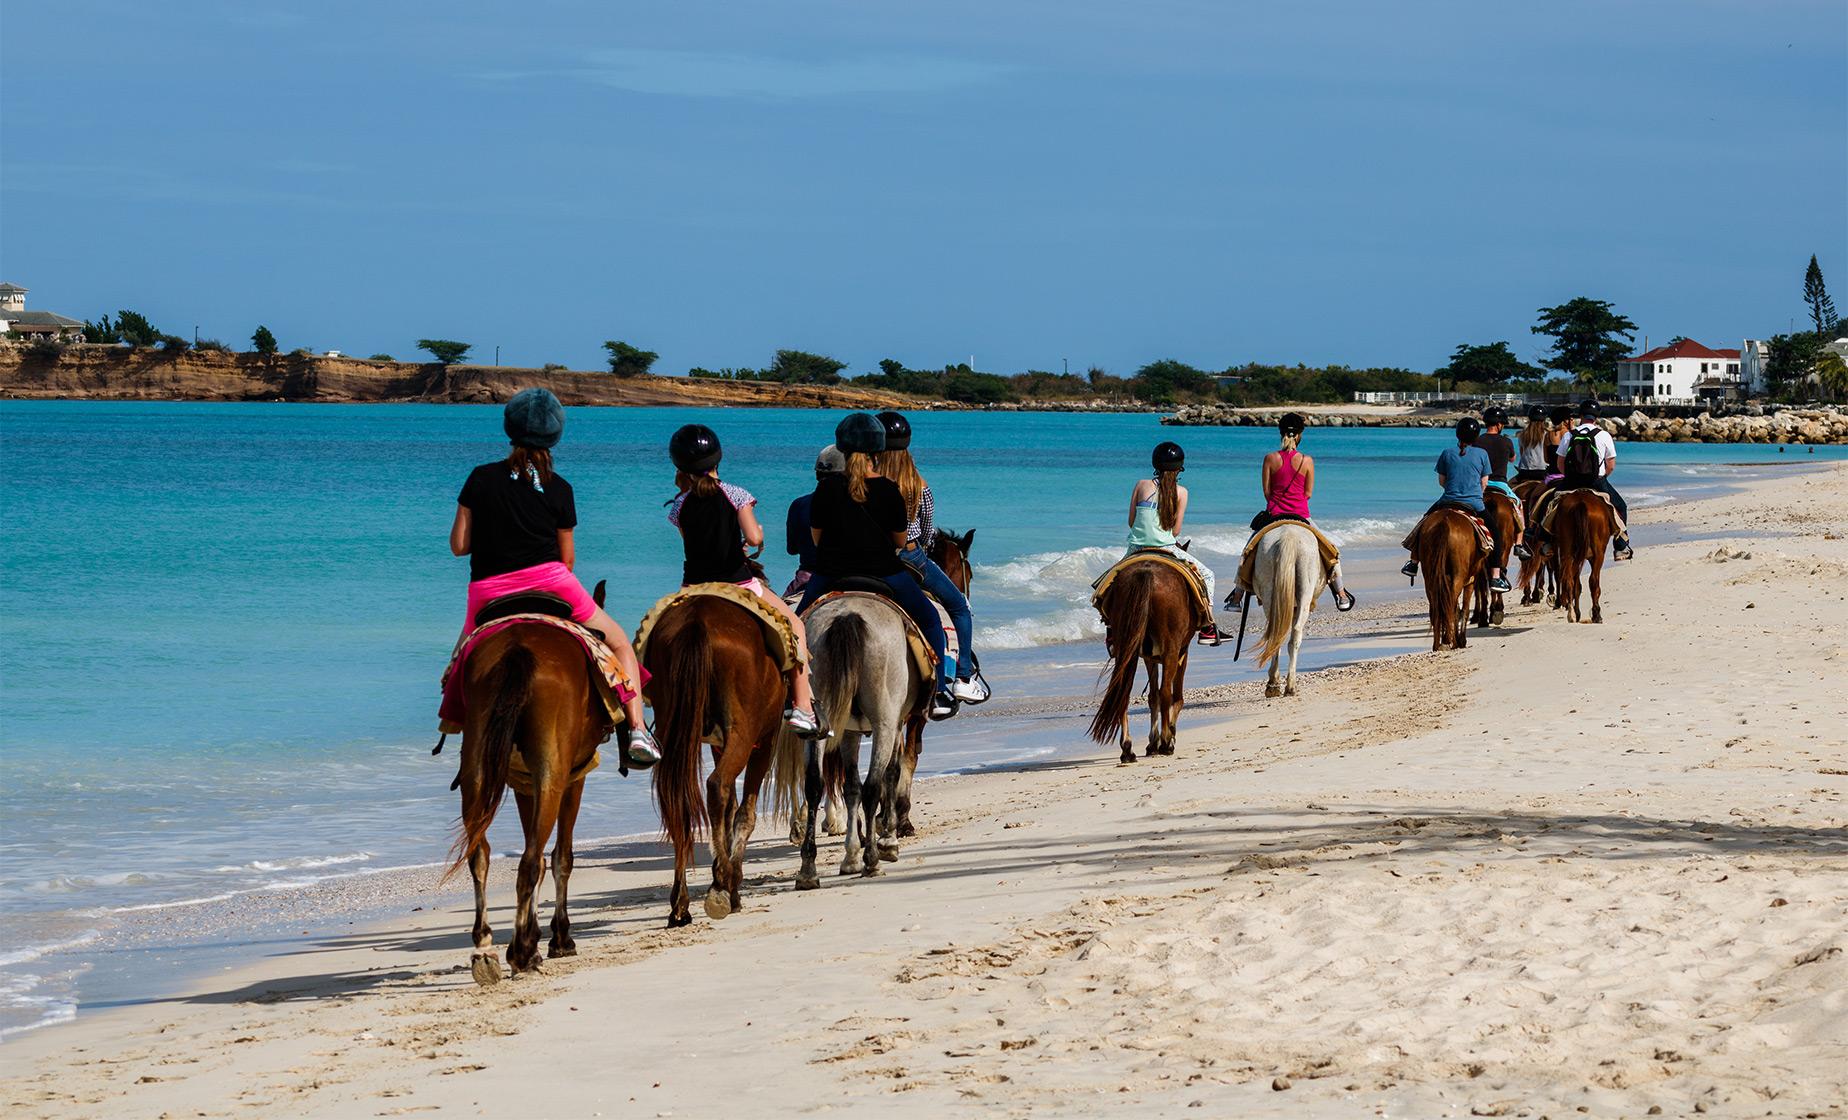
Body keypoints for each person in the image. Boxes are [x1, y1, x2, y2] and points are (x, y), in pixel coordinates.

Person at [450, 388, 658, 767]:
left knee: (460, 662)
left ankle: (457, 723)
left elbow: (459, 546)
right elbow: (567, 559)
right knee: (621, 644)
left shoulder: (479, 478)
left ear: (509, 430)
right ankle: (639, 731)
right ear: (555, 437)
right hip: (553, 583)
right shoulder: (561, 488)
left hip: (487, 591)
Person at [796, 413, 958, 719]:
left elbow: (817, 539)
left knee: (795, 625)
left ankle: (793, 696)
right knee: (931, 621)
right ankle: (938, 694)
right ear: (876, 453)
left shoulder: (827, 489)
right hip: (886, 574)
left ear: (842, 450)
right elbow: (899, 541)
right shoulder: (888, 490)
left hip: (831, 574)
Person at [666, 424, 819, 736]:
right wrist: (756, 536)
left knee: (653, 634)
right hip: (739, 584)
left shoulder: (679, 505)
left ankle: (656, 712)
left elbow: (695, 544)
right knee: (795, 628)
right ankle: (802, 707)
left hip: (694, 588)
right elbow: (752, 536)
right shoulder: (737, 495)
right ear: (717, 460)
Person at [876, 411, 987, 704]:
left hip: (870, 557)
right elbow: (926, 533)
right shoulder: (918, 485)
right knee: (960, 607)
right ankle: (963, 677)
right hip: (910, 558)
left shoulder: (863, 482)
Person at [1225, 413, 1355, 612]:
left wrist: (1278, 503)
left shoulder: (1270, 458)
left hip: (1274, 516)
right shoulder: (1307, 461)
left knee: (1247, 552)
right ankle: (1341, 594)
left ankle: (1237, 597)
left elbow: (1267, 492)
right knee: (1331, 550)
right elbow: (1308, 493)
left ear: (1280, 432)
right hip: (1301, 516)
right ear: (1300, 435)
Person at [1124, 441, 1222, 644]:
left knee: (1108, 583)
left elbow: (1131, 522)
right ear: (1180, 468)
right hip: (1166, 547)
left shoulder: (1141, 485)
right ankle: (1207, 627)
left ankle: (1110, 627)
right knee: (1208, 576)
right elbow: (1176, 531)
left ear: (1155, 464)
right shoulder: (1182, 492)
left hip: (1136, 548)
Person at [1399, 417, 1511, 593]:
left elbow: (1442, 481)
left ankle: (1413, 563)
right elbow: (1484, 483)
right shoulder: (1482, 454)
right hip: (1474, 504)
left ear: (1457, 434)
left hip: (1447, 500)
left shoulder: (1447, 453)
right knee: (1496, 534)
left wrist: (1454, 490)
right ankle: (1496, 578)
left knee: (1423, 524)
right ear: (1476, 436)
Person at [1555, 400, 1633, 559]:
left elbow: (1559, 463)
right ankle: (1620, 547)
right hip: (1597, 482)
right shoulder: (1604, 435)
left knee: (1550, 504)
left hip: (1572, 481)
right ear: (1596, 417)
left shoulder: (1569, 434)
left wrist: (1570, 477)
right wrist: (1602, 478)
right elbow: (1610, 465)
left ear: (1580, 416)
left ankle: (1546, 540)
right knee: (1621, 507)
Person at [784, 444, 844, 597]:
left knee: (780, 617)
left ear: (817, 474)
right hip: (847, 577)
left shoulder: (798, 505)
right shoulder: (856, 504)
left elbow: (792, 550)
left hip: (808, 578)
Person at [1474, 406, 1529, 561]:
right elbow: (1512, 459)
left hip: (1480, 485)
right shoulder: (1506, 441)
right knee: (1518, 505)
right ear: (1499, 425)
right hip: (1500, 484)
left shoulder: (1477, 440)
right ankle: (1518, 543)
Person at [1514, 405, 1552, 482]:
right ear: (1544, 419)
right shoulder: (1547, 435)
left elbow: (1522, 454)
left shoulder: (1522, 435)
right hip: (1542, 472)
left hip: (1524, 472)